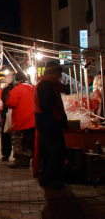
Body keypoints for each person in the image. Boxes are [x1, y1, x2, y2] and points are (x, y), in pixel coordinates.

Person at [34, 61, 68, 189]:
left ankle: (46, 177)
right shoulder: (46, 85)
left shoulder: (48, 84)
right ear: (53, 74)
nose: (60, 75)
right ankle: (50, 178)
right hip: (48, 123)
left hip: (45, 122)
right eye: (59, 73)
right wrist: (55, 119)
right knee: (58, 150)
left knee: (49, 151)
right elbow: (47, 106)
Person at [6, 71, 35, 169]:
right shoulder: (33, 89)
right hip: (33, 120)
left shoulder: (17, 89)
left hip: (20, 120)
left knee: (18, 140)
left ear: (17, 81)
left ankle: (19, 160)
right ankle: (26, 160)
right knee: (28, 141)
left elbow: (10, 103)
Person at [0, 73, 15, 161]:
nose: (8, 79)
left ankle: (14, 153)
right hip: (7, 113)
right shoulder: (7, 89)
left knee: (16, 135)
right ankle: (5, 153)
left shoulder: (14, 88)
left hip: (16, 114)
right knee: (6, 134)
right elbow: (6, 101)